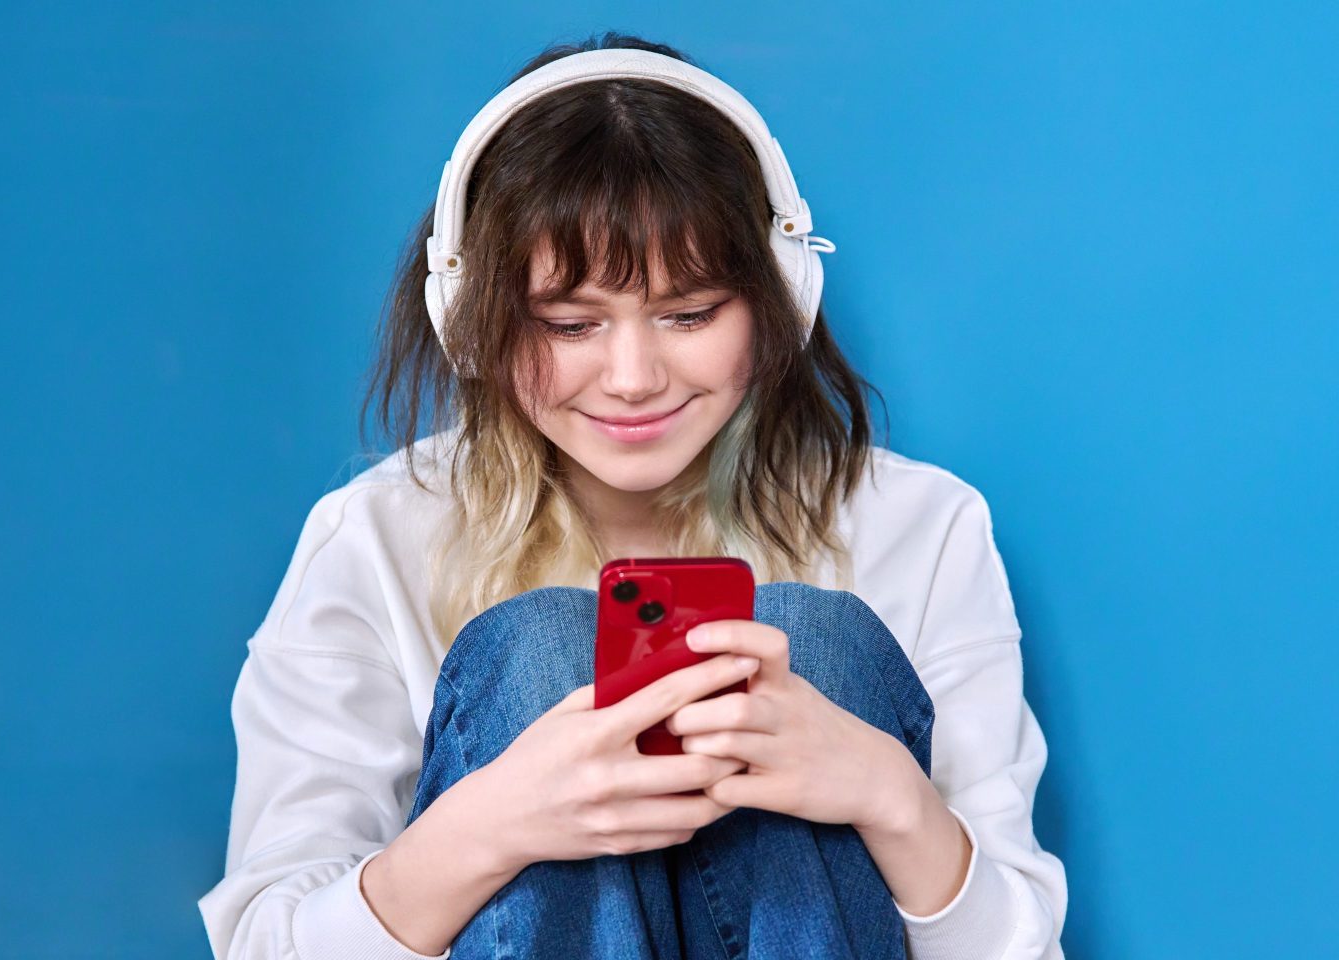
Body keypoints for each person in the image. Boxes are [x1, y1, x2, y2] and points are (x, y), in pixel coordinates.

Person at [197, 32, 1066, 960]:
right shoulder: (376, 535)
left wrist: (886, 792)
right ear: (473, 320)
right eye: (569, 324)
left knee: (815, 644)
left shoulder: (920, 527)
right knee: (540, 654)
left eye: (689, 315)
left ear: (783, 291)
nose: (632, 377)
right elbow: (265, 944)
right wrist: (493, 823)